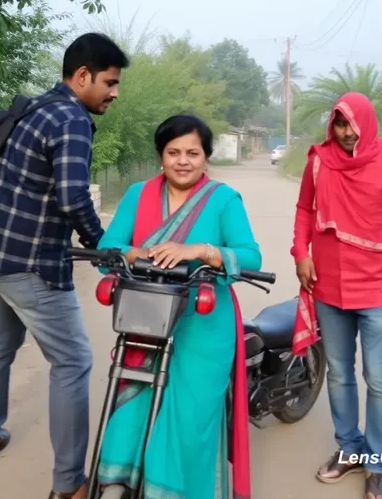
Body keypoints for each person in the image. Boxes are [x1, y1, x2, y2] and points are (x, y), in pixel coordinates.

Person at [0, 33, 129, 499]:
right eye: (110, 83)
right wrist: (103, 245)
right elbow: (73, 197)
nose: (115, 93)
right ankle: (69, 484)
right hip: (29, 265)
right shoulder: (72, 119)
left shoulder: (37, 107)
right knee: (73, 361)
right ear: (83, 76)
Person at [94, 114, 261, 499]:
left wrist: (200, 250)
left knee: (190, 418)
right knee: (132, 407)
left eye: (192, 153)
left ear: (206, 157)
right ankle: (119, 481)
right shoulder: (138, 195)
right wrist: (136, 253)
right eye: (173, 152)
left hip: (203, 325)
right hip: (146, 319)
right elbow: (108, 249)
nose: (183, 161)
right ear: (161, 156)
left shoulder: (223, 200)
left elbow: (250, 256)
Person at [290, 92, 382, 499]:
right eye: (339, 124)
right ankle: (349, 448)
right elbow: (304, 209)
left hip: (379, 289)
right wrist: (301, 253)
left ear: (367, 123)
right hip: (328, 287)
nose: (346, 132)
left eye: (352, 124)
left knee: (378, 378)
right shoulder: (319, 161)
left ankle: (376, 465)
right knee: (339, 373)